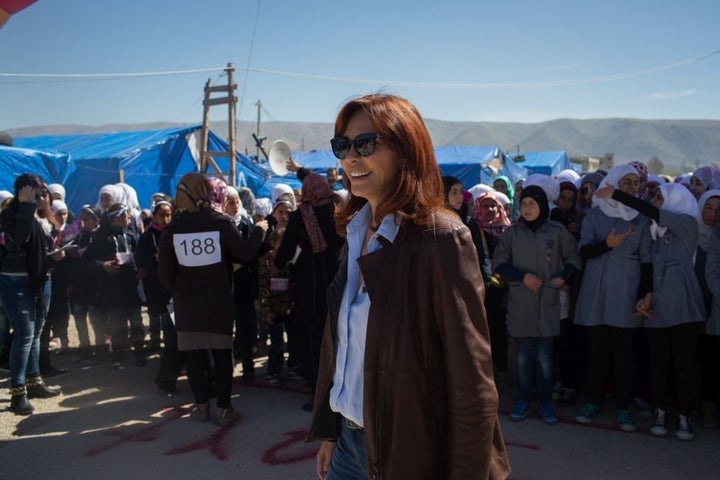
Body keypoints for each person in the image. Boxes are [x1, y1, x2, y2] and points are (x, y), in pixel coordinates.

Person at [308, 94, 509, 479]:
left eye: (365, 143)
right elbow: (346, 349)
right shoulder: (352, 232)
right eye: (342, 146)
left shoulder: (441, 239)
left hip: (408, 452)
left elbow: (473, 388)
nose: (350, 157)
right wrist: (331, 432)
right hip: (348, 444)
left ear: (406, 149)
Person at [595, 181, 705, 441]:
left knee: (683, 366)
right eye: (653, 195)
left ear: (674, 199)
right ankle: (660, 410)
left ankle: (684, 415)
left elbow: (653, 212)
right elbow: (649, 271)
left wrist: (617, 194)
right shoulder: (652, 233)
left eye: (659, 195)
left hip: (684, 311)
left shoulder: (687, 226)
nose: (654, 198)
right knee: (659, 366)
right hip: (656, 312)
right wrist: (645, 298)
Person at [158, 173, 267, 426]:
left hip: (187, 307)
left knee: (194, 356)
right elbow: (246, 252)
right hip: (218, 304)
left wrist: (183, 290)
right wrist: (260, 231)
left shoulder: (172, 230)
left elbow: (165, 275)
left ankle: (202, 406)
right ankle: (224, 408)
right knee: (221, 356)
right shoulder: (220, 223)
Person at [574, 164, 652, 432]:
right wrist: (606, 245)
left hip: (625, 293)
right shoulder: (595, 215)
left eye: (635, 183)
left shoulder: (640, 220)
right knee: (596, 352)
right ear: (615, 182)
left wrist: (644, 295)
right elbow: (583, 251)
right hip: (596, 293)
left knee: (623, 355)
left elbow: (646, 262)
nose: (632, 187)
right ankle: (593, 402)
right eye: (626, 182)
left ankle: (622, 408)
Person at [494, 185, 579, 424]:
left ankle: (544, 403)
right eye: (524, 204)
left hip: (548, 303)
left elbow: (573, 257)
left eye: (533, 203)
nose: (528, 208)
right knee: (522, 358)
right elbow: (499, 262)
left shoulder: (557, 231)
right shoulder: (512, 233)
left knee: (544, 358)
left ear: (542, 205)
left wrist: (563, 277)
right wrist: (522, 277)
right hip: (521, 303)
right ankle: (522, 400)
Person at [275, 166, 344, 408]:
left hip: (310, 283)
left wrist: (279, 262)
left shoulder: (301, 215)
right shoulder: (337, 207)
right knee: (337, 333)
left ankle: (318, 392)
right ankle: (338, 387)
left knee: (312, 337)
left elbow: (284, 252)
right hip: (338, 279)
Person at [1, 174, 63, 415]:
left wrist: (55, 255)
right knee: (25, 333)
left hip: (40, 279)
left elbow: (42, 246)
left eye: (43, 193)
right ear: (24, 191)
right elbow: (18, 239)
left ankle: (34, 380)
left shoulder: (41, 215)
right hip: (15, 281)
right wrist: (26, 205)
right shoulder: (10, 214)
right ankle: (18, 391)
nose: (42, 197)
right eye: (37, 193)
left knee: (36, 331)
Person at [84, 203, 145, 370]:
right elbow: (87, 260)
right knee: (117, 323)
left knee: (136, 321)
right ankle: (118, 355)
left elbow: (139, 256)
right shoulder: (100, 238)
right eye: (126, 215)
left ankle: (139, 353)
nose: (129, 218)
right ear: (116, 218)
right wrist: (103, 265)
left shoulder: (131, 235)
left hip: (131, 287)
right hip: (113, 288)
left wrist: (140, 269)